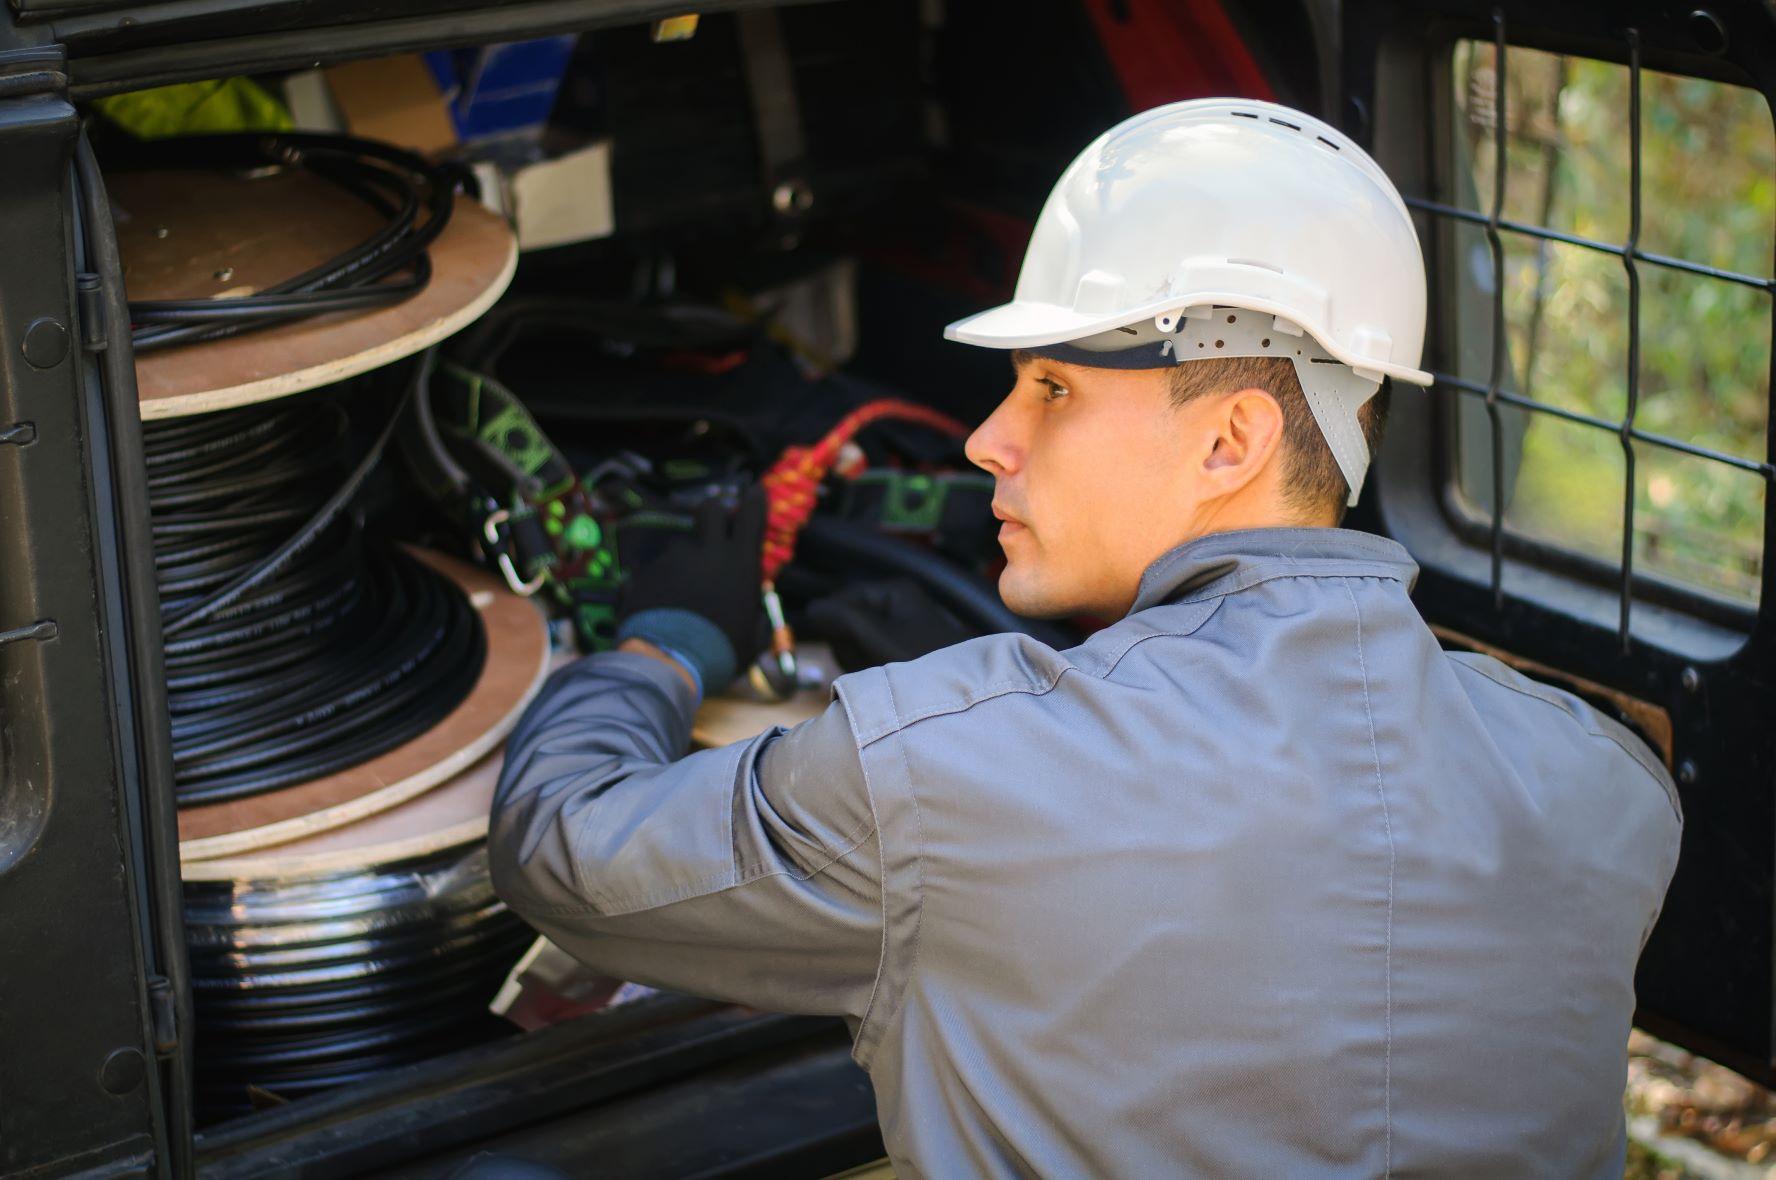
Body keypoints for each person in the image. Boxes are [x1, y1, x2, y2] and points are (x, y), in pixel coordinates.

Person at [488, 98, 1680, 1177]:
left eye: (1052, 389)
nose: (985, 440)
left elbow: (562, 852)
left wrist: (660, 643)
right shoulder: (1608, 786)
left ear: (1233, 439)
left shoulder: (941, 774)